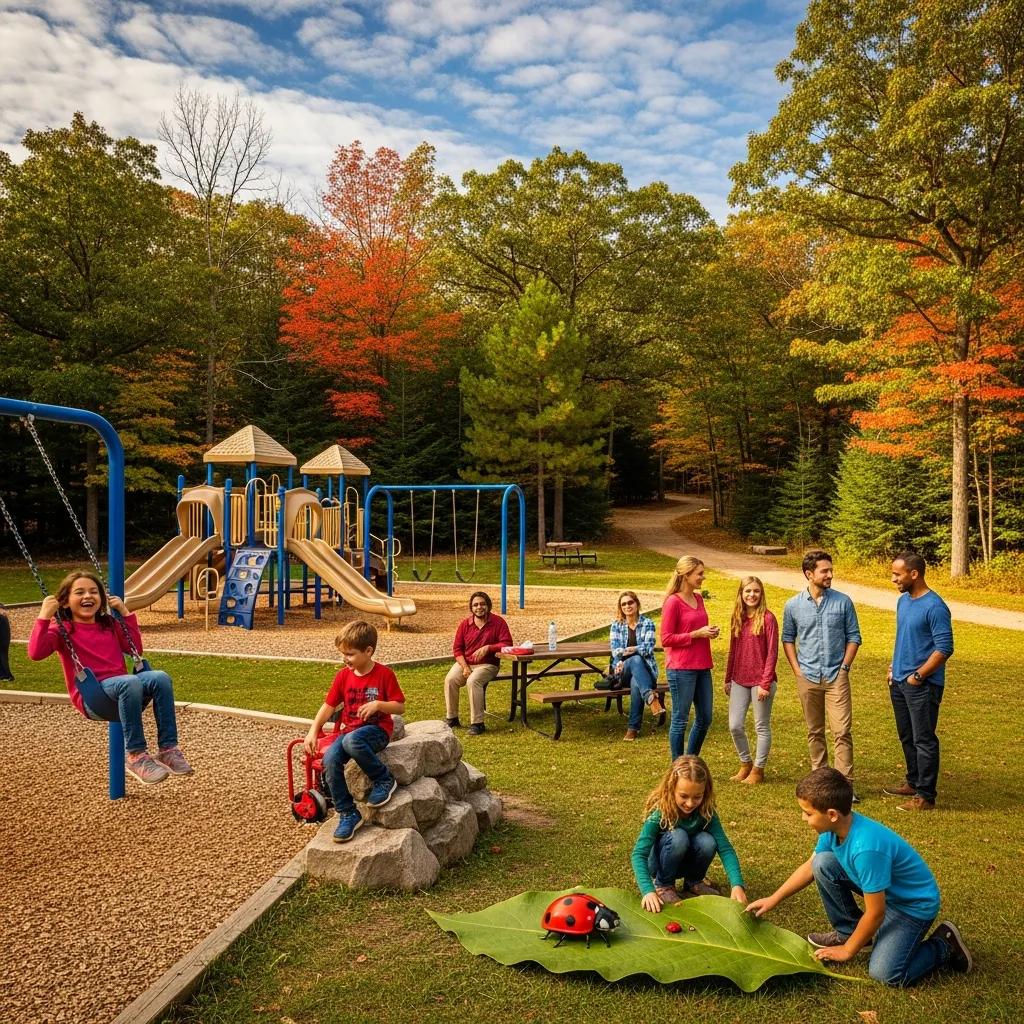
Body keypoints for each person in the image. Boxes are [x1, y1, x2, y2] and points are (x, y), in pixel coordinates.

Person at [745, 767, 972, 986]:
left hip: (911, 906)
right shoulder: (834, 829)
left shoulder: (866, 849)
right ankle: (849, 932)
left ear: (832, 814)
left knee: (885, 974)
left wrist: (848, 951)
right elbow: (811, 866)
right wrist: (774, 898)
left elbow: (876, 913)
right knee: (823, 863)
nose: (803, 818)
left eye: (808, 813)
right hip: (886, 894)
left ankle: (944, 944)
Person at [27, 570, 192, 785]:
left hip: (125, 693)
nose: (88, 596)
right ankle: (136, 756)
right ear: (65, 602)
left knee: (160, 677)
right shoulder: (62, 629)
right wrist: (44, 616)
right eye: (80, 592)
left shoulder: (109, 625)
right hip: (92, 698)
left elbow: (135, 648)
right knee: (130, 682)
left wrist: (125, 612)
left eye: (94, 591)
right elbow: (35, 653)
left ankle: (168, 749)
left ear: (102, 599)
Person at [304, 619, 406, 843]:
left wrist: (379, 704)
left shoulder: (384, 675)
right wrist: (313, 730)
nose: (345, 659)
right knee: (329, 761)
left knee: (351, 741)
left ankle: (384, 779)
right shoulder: (343, 676)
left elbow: (400, 706)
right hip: (350, 733)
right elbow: (328, 705)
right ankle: (348, 813)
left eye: (350, 654)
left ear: (368, 651)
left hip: (376, 731)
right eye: (343, 654)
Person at [781, 550, 862, 795]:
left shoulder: (843, 601)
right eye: (824, 571)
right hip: (807, 676)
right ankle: (820, 783)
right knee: (814, 731)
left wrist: (845, 668)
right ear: (809, 574)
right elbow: (788, 639)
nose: (830, 575)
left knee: (842, 731)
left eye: (830, 570)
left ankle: (845, 787)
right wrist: (797, 670)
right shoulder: (793, 605)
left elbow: (854, 637)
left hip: (836, 676)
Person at [883, 551, 954, 812]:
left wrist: (918, 675)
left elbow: (944, 648)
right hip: (900, 681)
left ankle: (925, 796)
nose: (893, 579)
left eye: (897, 574)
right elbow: (906, 638)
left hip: (921, 685)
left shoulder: (935, 606)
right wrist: (895, 666)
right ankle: (913, 782)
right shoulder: (904, 601)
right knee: (907, 735)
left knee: (924, 739)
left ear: (914, 574)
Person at [631, 754, 747, 910]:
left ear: (705, 792)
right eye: (683, 796)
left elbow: (725, 849)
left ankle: (694, 882)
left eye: (697, 797)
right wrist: (647, 891)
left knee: (708, 841)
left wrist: (737, 884)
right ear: (671, 789)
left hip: (684, 860)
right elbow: (639, 854)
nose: (690, 803)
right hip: (660, 863)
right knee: (678, 836)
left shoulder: (706, 813)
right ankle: (663, 886)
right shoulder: (661, 813)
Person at [660, 555, 719, 759]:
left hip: (702, 666)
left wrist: (709, 632)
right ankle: (678, 765)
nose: (703, 577)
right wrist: (696, 634)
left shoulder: (699, 598)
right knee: (680, 719)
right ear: (686, 575)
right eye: (699, 574)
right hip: (681, 668)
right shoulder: (672, 602)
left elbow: (696, 627)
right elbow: (666, 639)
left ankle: (690, 760)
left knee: (705, 717)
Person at [725, 576, 779, 784]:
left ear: (761, 593)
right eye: (747, 591)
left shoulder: (767, 618)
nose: (752, 595)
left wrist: (765, 684)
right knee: (735, 725)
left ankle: (758, 769)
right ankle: (745, 763)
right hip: (739, 679)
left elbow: (772, 653)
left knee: (761, 726)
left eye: (756, 591)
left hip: (761, 682)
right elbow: (733, 650)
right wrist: (728, 678)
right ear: (741, 593)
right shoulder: (737, 617)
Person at [443, 591, 512, 736]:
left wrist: (489, 647)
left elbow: (507, 644)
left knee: (473, 681)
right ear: (471, 608)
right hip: (466, 663)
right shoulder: (465, 624)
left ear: (488, 606)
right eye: (475, 605)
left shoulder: (498, 622)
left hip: (488, 665)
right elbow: (457, 649)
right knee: (450, 679)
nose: (479, 607)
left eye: (482, 604)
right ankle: (452, 718)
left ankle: (477, 723)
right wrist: (465, 667)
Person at [610, 590, 664, 742]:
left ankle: (632, 729)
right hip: (623, 671)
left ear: (637, 604)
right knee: (635, 660)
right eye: (624, 604)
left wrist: (630, 650)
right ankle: (650, 697)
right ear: (621, 608)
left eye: (630, 602)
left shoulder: (648, 623)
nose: (627, 606)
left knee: (636, 681)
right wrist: (634, 650)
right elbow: (616, 651)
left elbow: (648, 649)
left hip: (646, 673)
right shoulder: (616, 625)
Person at [0, 604, 13, 681]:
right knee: (2, 657)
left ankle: (8, 675)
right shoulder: (3, 615)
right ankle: (2, 675)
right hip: (4, 639)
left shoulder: (1, 616)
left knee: (3, 657)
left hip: (2, 640)